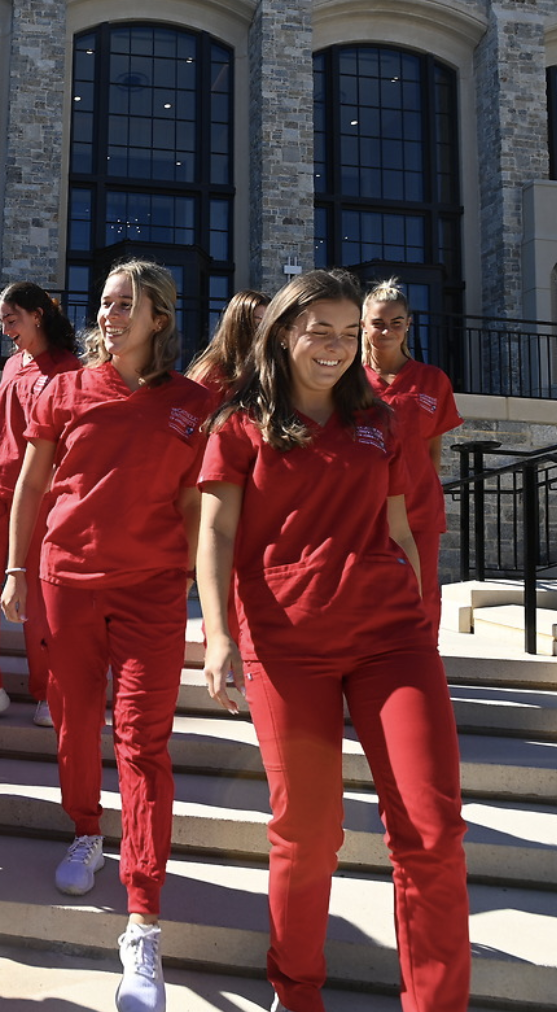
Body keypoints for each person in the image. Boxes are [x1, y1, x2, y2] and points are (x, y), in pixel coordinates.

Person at [196, 268, 469, 1012]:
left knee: (432, 830)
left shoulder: (380, 418)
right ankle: (297, 989)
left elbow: (400, 526)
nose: (339, 348)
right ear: (283, 332)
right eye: (322, 330)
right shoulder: (239, 424)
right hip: (288, 645)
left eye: (351, 334)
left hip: (391, 640)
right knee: (309, 834)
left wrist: (416, 609)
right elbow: (215, 532)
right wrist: (218, 636)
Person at [2, 259, 213, 1012]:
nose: (110, 314)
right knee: (72, 721)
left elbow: (198, 501)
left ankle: (143, 921)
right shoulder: (61, 389)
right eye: (105, 303)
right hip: (67, 582)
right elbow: (33, 483)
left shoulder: (196, 402)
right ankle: (86, 830)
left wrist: (192, 580)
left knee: (144, 744)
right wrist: (17, 570)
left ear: (160, 316)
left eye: (127, 304)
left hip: (152, 593)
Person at [0, 281, 80, 726]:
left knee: (37, 600)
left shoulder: (70, 369)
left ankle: (48, 692)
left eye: (11, 319)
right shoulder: (12, 365)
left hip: (39, 499)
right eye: (2, 321)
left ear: (38, 314)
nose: (6, 328)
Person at [361, 280, 463, 640]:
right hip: (362, 508)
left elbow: (432, 450)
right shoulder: (348, 380)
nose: (386, 330)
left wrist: (419, 491)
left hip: (419, 507)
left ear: (408, 325)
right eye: (378, 323)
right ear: (363, 325)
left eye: (396, 322)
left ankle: (422, 662)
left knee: (421, 591)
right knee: (363, 592)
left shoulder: (432, 380)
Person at [186, 288, 269, 397]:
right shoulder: (212, 373)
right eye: (258, 324)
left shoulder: (269, 369)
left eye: (269, 325)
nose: (265, 332)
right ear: (238, 326)